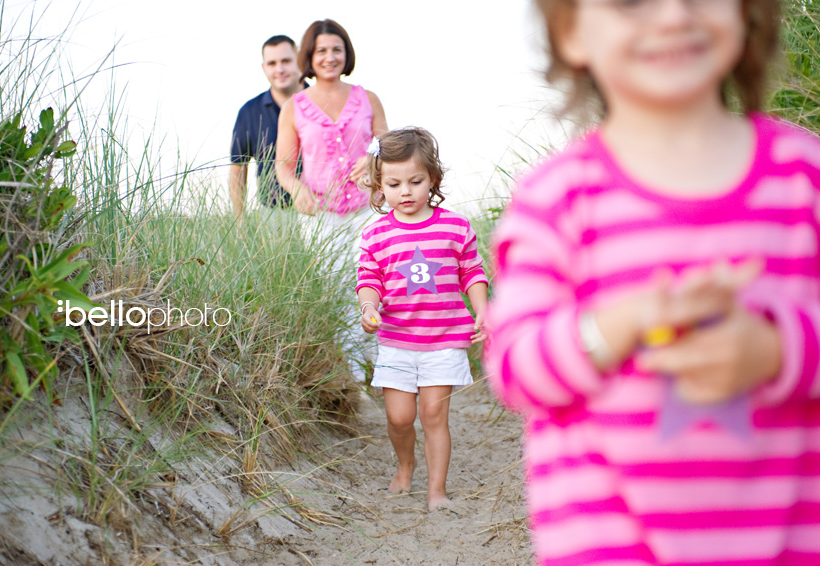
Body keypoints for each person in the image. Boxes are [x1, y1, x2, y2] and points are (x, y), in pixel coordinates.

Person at [484, 0, 820, 564]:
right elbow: (516, 368)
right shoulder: (556, 199)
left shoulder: (803, 176)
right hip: (610, 544)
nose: (673, 17)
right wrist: (620, 323)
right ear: (571, 33)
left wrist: (777, 350)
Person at [357, 128, 489, 512]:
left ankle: (437, 491)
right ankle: (405, 465)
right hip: (397, 339)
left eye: (415, 181)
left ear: (432, 178)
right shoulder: (376, 235)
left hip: (444, 338)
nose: (406, 192)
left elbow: (472, 273)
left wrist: (482, 310)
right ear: (380, 186)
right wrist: (368, 308)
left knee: (433, 414)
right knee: (399, 417)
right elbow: (369, 281)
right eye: (394, 184)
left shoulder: (455, 227)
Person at [276, 19, 388, 381]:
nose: (329, 57)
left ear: (346, 53)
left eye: (336, 49)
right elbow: (283, 167)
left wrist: (371, 158)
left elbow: (386, 144)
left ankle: (385, 366)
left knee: (375, 282)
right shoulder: (294, 106)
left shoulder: (367, 98)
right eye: (321, 50)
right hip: (320, 215)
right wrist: (297, 190)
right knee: (336, 288)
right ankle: (353, 377)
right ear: (310, 56)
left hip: (368, 209)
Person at [228, 35, 304, 216]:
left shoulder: (321, 103)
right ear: (264, 68)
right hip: (273, 212)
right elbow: (238, 167)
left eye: (286, 61)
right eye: (272, 63)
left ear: (300, 60)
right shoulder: (249, 112)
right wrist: (240, 221)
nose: (280, 69)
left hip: (323, 210)